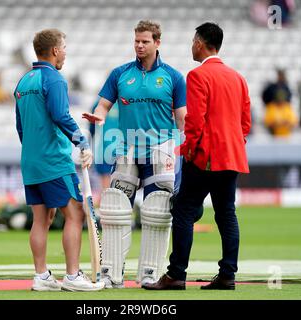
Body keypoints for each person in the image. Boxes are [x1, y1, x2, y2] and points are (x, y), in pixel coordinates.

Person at [143, 22, 251, 291]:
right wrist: (233, 144)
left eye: (193, 41)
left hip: (205, 155)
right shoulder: (237, 77)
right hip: (232, 156)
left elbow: (195, 120)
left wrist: (190, 150)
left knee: (183, 208)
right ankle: (227, 274)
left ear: (201, 43)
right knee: (226, 213)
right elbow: (245, 122)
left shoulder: (198, 76)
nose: (192, 45)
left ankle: (176, 274)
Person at [82, 20, 187, 288]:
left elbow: (182, 118)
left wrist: (184, 148)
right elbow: (104, 105)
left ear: (157, 43)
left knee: (157, 211)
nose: (139, 46)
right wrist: (100, 116)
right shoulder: (120, 74)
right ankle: (111, 274)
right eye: (136, 41)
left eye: (145, 41)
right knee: (115, 208)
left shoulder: (174, 77)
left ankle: (150, 272)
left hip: (160, 149)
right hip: (127, 147)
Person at [14, 28, 104, 292]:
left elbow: (20, 127)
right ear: (54, 50)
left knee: (42, 218)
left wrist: (34, 149)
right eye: (64, 47)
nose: (65, 52)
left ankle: (41, 276)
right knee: (74, 213)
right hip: (54, 160)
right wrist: (81, 140)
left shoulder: (23, 81)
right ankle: (73, 276)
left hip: (30, 161)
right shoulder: (53, 79)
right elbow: (59, 115)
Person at [89, 100, 119, 202]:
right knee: (109, 193)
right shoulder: (98, 104)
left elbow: (91, 130)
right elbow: (92, 129)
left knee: (109, 193)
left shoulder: (99, 103)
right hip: (105, 153)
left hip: (118, 153)